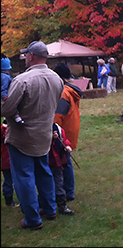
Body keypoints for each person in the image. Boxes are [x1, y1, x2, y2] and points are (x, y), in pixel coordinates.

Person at [1, 41, 64, 231]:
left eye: (26, 55)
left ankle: (32, 219)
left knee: (23, 176)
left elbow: (6, 108)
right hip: (44, 135)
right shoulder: (57, 79)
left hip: (22, 137)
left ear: (30, 56)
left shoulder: (22, 80)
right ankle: (50, 208)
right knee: (44, 172)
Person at [52, 63, 82, 202]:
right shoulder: (70, 91)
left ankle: (68, 192)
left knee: (64, 162)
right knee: (66, 161)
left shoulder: (63, 93)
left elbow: (58, 116)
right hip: (69, 129)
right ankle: (67, 190)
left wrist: (53, 130)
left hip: (63, 133)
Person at [48, 123, 74, 215]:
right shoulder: (40, 126)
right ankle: (46, 205)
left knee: (59, 183)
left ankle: (62, 206)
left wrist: (67, 146)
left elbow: (64, 139)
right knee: (46, 184)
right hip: (45, 162)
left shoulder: (57, 128)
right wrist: (50, 137)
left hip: (56, 162)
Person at [1, 121, 19, 207]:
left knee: (10, 180)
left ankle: (10, 198)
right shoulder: (4, 131)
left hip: (8, 160)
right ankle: (9, 200)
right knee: (8, 181)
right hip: (7, 160)